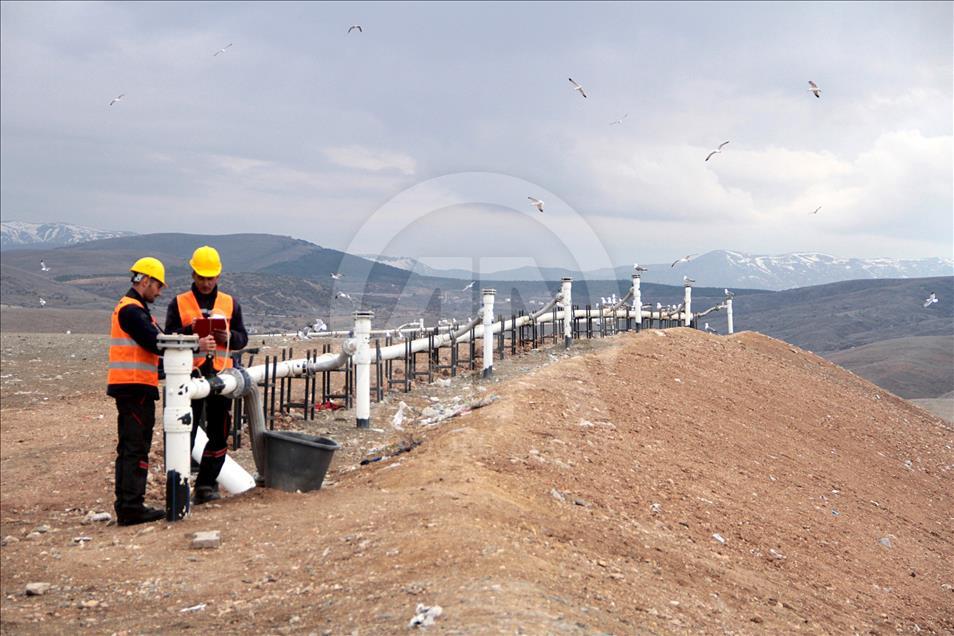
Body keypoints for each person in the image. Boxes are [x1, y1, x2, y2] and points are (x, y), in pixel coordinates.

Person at [165, 245, 248, 504]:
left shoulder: (230, 304)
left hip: (221, 376)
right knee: (184, 432)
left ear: (218, 277)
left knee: (218, 432)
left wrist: (229, 337)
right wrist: (190, 331)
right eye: (201, 277)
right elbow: (169, 338)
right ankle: (178, 487)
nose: (205, 283)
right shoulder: (178, 303)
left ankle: (206, 485)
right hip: (189, 377)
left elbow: (242, 338)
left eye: (210, 278)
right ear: (193, 275)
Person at [107, 257, 167, 526]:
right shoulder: (132, 310)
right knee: (135, 447)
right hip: (135, 387)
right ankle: (131, 508)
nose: (160, 291)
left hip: (134, 386)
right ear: (145, 281)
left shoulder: (136, 309)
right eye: (158, 285)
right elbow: (155, 343)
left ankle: (129, 505)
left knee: (131, 447)